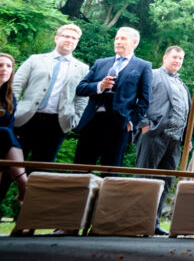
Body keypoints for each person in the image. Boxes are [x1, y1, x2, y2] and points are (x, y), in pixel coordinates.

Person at [74, 27, 152, 166]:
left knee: (110, 170)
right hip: (91, 121)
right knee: (81, 167)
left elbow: (145, 100)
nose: (118, 42)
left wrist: (131, 123)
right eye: (116, 38)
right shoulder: (100, 63)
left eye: (123, 39)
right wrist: (100, 86)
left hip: (119, 124)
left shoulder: (143, 66)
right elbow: (80, 88)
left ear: (134, 42)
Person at [11, 24, 88, 163]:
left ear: (77, 42)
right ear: (56, 38)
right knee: (11, 166)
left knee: (40, 171)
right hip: (26, 119)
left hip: (57, 124)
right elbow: (16, 85)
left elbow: (82, 97)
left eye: (74, 38)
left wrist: (75, 119)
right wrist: (13, 110)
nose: (69, 40)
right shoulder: (35, 59)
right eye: (66, 36)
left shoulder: (82, 68)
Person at [136, 45, 191, 235]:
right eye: (175, 57)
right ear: (165, 58)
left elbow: (186, 112)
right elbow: (137, 99)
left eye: (181, 59)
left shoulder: (182, 84)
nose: (178, 61)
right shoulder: (152, 75)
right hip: (154, 134)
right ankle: (137, 222)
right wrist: (144, 123)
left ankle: (154, 222)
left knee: (165, 181)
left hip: (175, 141)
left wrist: (187, 137)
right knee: (145, 178)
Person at [0, 53, 28, 200]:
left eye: (9, 66)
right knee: (5, 132)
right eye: (0, 65)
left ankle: (23, 183)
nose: (4, 69)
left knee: (10, 133)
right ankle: (23, 182)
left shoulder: (9, 97)